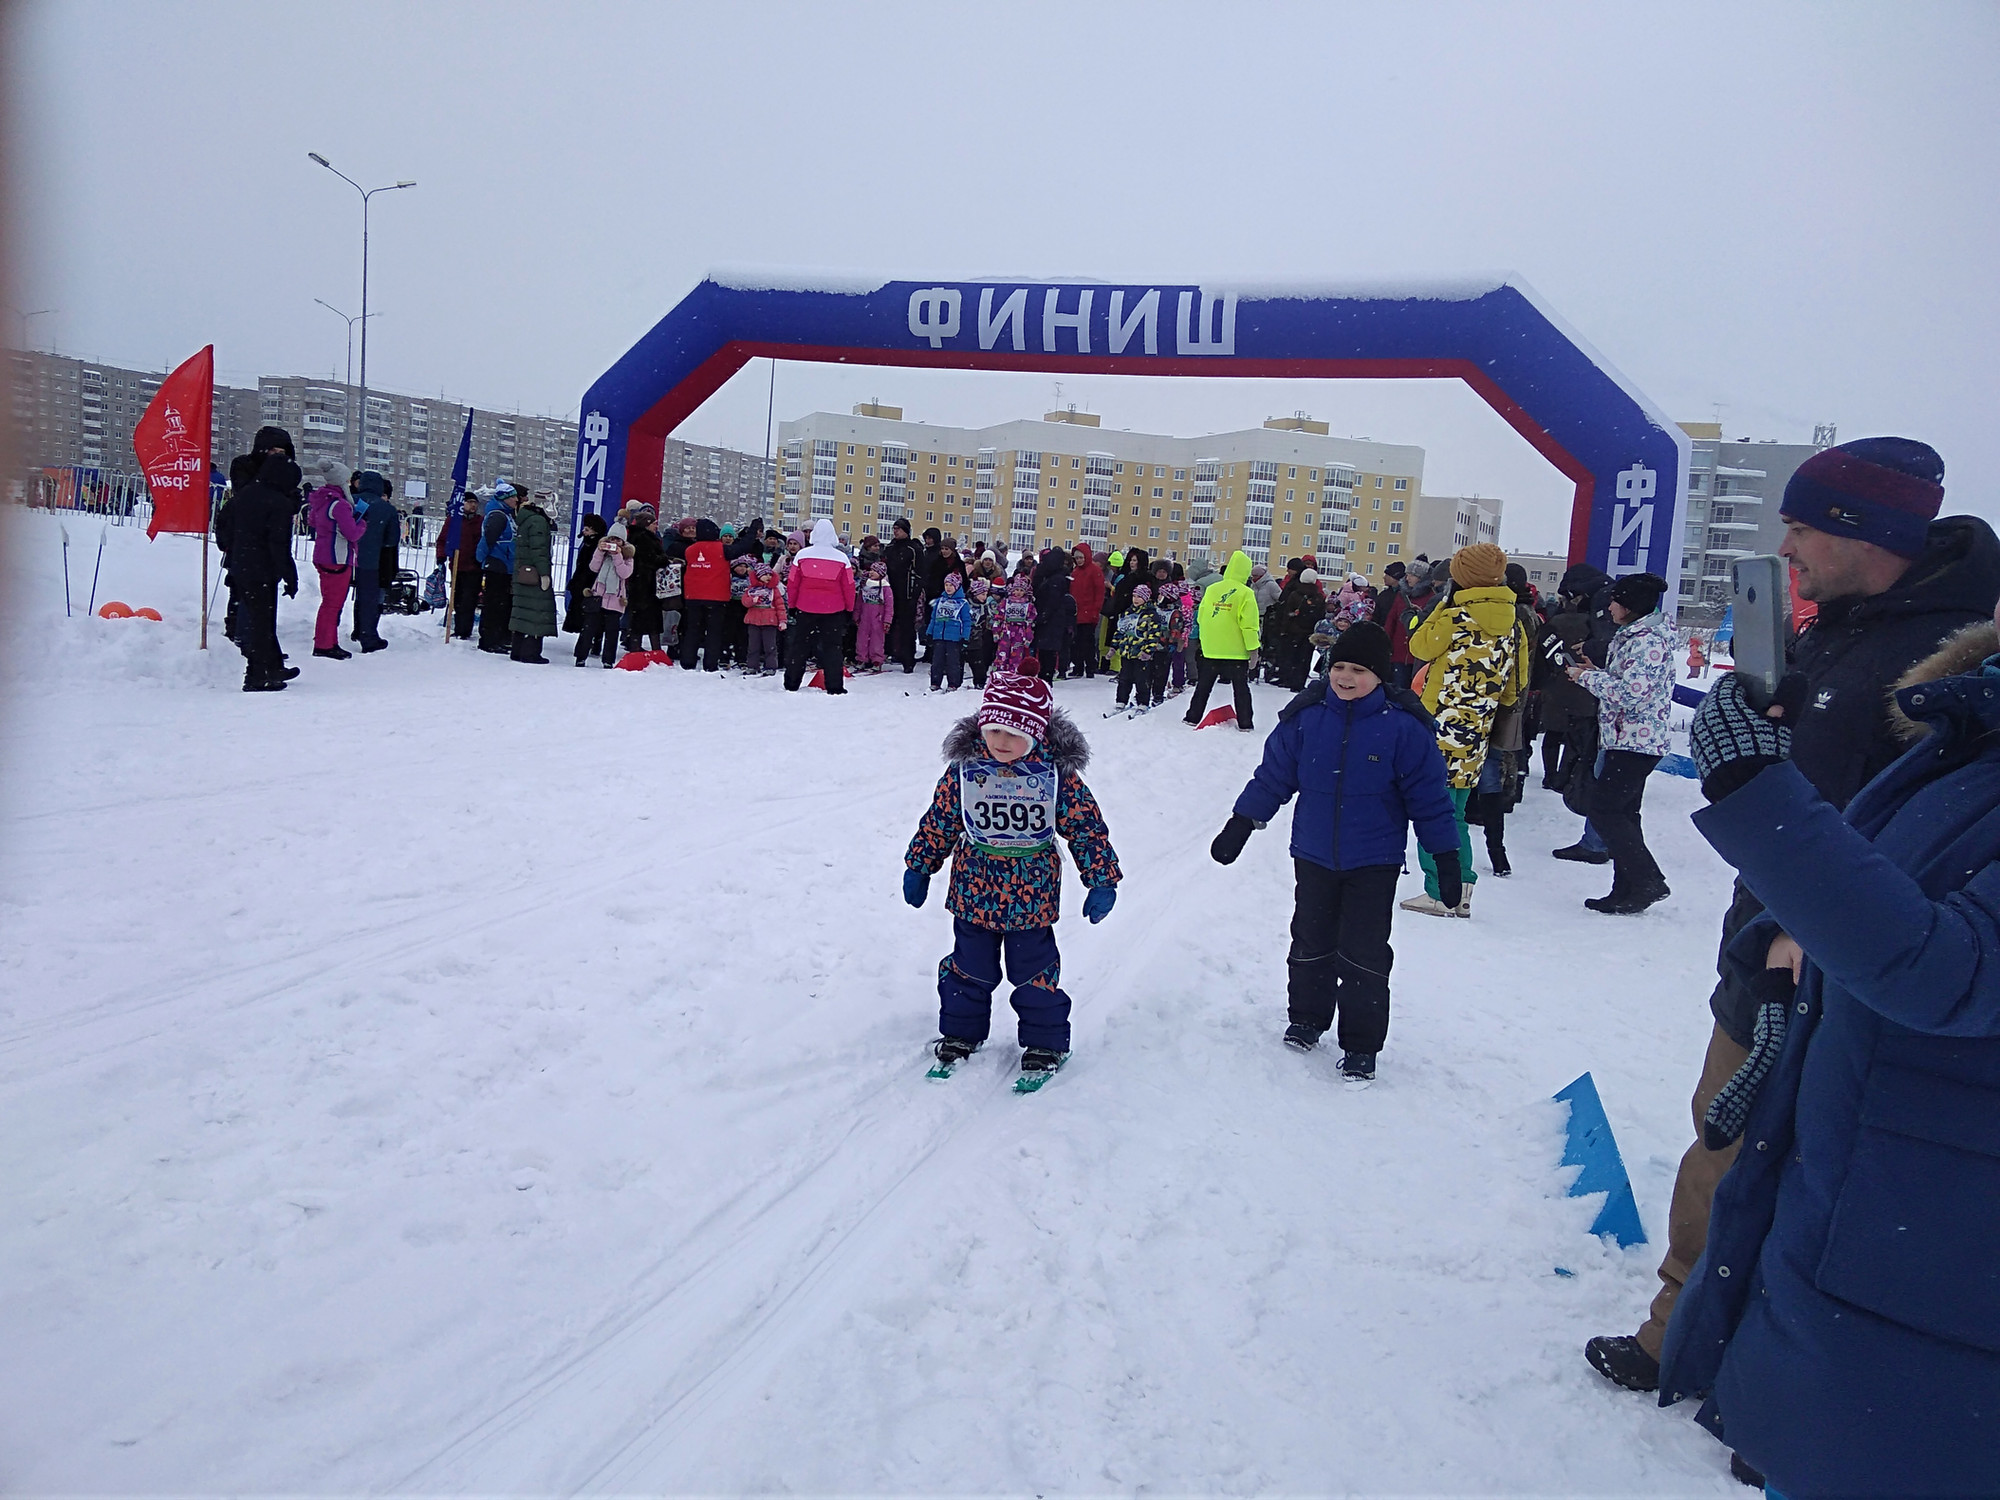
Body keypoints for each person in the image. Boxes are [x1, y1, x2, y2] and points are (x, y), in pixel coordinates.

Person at [1583, 436, 2000, 1429]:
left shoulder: (1947, 662)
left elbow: (1923, 833)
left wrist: (1805, 925)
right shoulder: (1835, 631)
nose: (1785, 547)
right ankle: (1679, 1329)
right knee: (1722, 1135)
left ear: (1867, 535)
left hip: (1851, 962)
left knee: (1820, 1173)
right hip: (1767, 934)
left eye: (1804, 527)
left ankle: (1767, 1365)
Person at [1655, 593, 2000, 1500]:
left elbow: (1952, 971)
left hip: (1935, 1277)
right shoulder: (1972, 722)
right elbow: (1900, 881)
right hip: (1862, 1229)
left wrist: (1758, 795)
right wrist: (1788, 934)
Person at [1209, 621, 1461, 1082]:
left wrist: (1445, 857)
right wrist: (1242, 822)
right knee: (1311, 940)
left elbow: (1429, 799)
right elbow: (1274, 776)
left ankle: (1361, 1044)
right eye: (1339, 666)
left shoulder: (1403, 728)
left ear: (1379, 676)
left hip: (1375, 859)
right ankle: (1307, 1018)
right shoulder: (1306, 718)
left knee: (1364, 951)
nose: (1345, 677)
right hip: (1313, 853)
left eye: (1359, 670)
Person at [902, 661, 1120, 1080]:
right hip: (973, 891)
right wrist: (920, 865)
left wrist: (1101, 879)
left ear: (1035, 733)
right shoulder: (966, 771)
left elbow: (1085, 828)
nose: (1002, 742)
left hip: (1031, 897)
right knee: (968, 969)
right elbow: (941, 820)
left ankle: (1044, 1041)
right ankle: (961, 1032)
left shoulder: (1055, 776)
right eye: (995, 731)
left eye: (1015, 734)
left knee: (1035, 973)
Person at [1400, 543, 1529, 919]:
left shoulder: (1455, 616)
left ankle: (1441, 891)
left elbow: (1420, 646)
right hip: (1476, 730)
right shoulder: (1514, 623)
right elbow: (1515, 685)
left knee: (1432, 810)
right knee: (1454, 811)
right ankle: (1462, 888)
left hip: (1438, 725)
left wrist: (1443, 605)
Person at [1565, 571, 1675, 913]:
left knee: (1605, 810)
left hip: (1637, 741)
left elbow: (1630, 693)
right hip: (1625, 738)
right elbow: (1625, 682)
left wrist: (1585, 678)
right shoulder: (1634, 636)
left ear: (1630, 606)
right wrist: (1595, 672)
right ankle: (1625, 889)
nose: (1609, 607)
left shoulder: (1647, 642)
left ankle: (1647, 880)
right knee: (1625, 813)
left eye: (1615, 601)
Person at [215, 427, 302, 692]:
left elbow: (223, 523)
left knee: (260, 620)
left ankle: (272, 666)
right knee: (261, 622)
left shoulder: (246, 495)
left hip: (243, 563)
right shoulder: (278, 503)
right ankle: (255, 676)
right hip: (262, 568)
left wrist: (231, 546)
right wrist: (290, 576)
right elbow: (279, 545)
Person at [1183, 550, 1261, 732]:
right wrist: (1253, 649)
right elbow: (1249, 625)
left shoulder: (1212, 589)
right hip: (1236, 652)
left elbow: (1201, 617)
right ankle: (1245, 723)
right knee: (1240, 689)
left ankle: (1192, 717)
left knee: (1203, 686)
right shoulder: (1246, 593)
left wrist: (1206, 640)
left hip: (1211, 649)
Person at [783, 517, 854, 693]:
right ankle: (834, 686)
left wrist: (792, 606)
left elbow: (792, 583)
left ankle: (791, 683)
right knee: (833, 648)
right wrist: (849, 609)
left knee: (799, 646)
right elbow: (849, 587)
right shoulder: (842, 558)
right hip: (833, 610)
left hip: (805, 607)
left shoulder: (802, 555)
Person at [306, 457, 363, 661]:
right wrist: (362, 522)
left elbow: (313, 522)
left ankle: (328, 641)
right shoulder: (340, 505)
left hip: (322, 555)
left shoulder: (322, 500)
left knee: (329, 602)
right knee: (333, 604)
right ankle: (324, 644)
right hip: (337, 557)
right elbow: (352, 534)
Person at [346, 470, 399, 653]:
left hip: (344, 557)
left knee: (335, 599)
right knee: (369, 598)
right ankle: (368, 637)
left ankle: (327, 637)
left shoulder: (349, 501)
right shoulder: (387, 509)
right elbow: (392, 540)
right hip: (371, 559)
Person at [575, 523, 634, 668]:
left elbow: (624, 573)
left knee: (611, 632)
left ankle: (608, 660)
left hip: (616, 599)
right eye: (611, 539)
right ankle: (581, 656)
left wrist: (617, 556)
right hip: (598, 596)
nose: (614, 543)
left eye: (618, 540)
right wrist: (600, 551)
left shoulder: (628, 557)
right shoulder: (602, 552)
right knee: (588, 629)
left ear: (623, 542)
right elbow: (593, 567)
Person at [508, 489, 556, 664]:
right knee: (537, 612)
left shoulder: (527, 519)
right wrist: (544, 573)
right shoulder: (538, 522)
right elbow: (539, 551)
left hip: (523, 572)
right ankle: (530, 653)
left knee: (523, 612)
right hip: (534, 574)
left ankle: (517, 650)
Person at [679, 518, 731, 671]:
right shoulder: (723, 549)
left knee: (693, 630)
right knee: (714, 632)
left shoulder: (690, 550)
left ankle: (687, 661)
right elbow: (743, 547)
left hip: (693, 595)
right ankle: (710, 663)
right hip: (717, 596)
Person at [1108, 582, 1166, 714]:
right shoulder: (1127, 612)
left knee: (1142, 679)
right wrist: (1114, 647)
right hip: (1126, 652)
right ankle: (1121, 700)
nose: (1136, 599)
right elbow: (1120, 631)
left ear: (1145, 598)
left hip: (1141, 654)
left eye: (1139, 597)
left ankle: (1143, 702)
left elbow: (1154, 635)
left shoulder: (1151, 615)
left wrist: (1148, 651)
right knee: (1124, 678)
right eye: (1134, 596)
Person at [437, 494, 487, 640]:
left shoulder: (480, 521)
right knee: (457, 599)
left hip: (474, 567)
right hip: (457, 566)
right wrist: (441, 556)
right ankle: (458, 628)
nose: (473, 505)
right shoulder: (453, 520)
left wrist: (480, 558)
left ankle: (465, 630)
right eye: (469, 502)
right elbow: (442, 540)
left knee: (468, 600)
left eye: (475, 502)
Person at [476, 485, 518, 654]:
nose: (516, 500)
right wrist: (481, 558)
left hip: (505, 566)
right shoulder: (497, 516)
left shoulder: (507, 514)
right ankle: (488, 640)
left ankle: (497, 638)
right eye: (512, 497)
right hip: (497, 565)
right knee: (493, 604)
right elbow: (487, 540)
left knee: (501, 605)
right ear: (503, 499)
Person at [884, 518, 923, 673]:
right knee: (889, 624)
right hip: (890, 592)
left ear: (906, 531)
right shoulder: (890, 547)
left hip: (906, 594)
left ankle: (908, 660)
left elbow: (920, 573)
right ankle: (891, 652)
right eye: (894, 529)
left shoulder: (913, 549)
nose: (895, 532)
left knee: (907, 628)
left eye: (898, 529)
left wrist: (914, 595)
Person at [562, 512, 610, 636]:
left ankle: (588, 638)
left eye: (587, 529)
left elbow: (589, 566)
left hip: (588, 583)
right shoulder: (589, 543)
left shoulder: (594, 545)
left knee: (587, 616)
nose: (584, 532)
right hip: (583, 582)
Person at [926, 570, 973, 691]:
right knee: (937, 661)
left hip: (954, 638)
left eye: (951, 585)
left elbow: (967, 621)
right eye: (946, 585)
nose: (948, 587)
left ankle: (953, 683)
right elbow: (933, 618)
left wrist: (965, 637)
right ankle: (935, 682)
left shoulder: (963, 603)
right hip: (939, 636)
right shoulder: (940, 601)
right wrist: (929, 632)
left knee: (953, 662)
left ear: (957, 587)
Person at [740, 554, 786, 676]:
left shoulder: (774, 590)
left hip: (770, 621)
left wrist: (782, 620)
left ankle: (771, 666)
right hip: (753, 621)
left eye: (770, 574)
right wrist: (752, 601)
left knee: (770, 646)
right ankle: (752, 666)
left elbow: (780, 606)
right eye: (765, 574)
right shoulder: (751, 590)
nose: (768, 577)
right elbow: (745, 602)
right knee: (753, 646)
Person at [1069, 544, 1106, 677]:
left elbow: (1099, 593)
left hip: (1089, 613)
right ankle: (1078, 666)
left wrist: (1095, 611)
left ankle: (1090, 667)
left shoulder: (1095, 571)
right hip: (1076, 613)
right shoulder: (1075, 572)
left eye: (1081, 557)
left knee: (1087, 643)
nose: (1079, 560)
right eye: (1077, 558)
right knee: (1076, 643)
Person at [993, 570, 1036, 676]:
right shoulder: (1005, 603)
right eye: (1016, 590)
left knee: (1016, 656)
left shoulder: (1028, 605)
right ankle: (999, 674)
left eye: (1021, 590)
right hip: (1005, 631)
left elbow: (1030, 622)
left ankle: (1014, 674)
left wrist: (1029, 637)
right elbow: (998, 617)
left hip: (1020, 633)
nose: (1018, 592)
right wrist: (996, 631)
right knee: (1002, 654)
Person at [855, 559, 893, 672]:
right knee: (862, 639)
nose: (871, 572)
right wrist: (856, 615)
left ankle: (877, 660)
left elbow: (889, 605)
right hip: (865, 617)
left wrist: (887, 620)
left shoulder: (885, 588)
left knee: (877, 640)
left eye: (874, 571)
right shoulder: (865, 586)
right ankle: (861, 658)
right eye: (871, 570)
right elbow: (859, 602)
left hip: (878, 618)